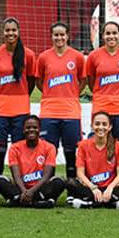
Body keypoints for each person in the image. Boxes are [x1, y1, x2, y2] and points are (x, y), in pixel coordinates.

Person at [83, 21, 119, 173]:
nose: (111, 36)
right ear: (102, 36)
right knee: (99, 144)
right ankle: (100, 178)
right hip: (101, 107)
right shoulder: (94, 56)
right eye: (108, 33)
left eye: (114, 33)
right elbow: (91, 80)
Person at [0, 17, 36, 175]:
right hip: (0, 108)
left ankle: (21, 184)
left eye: (13, 30)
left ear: (19, 32)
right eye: (7, 30)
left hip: (20, 108)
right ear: (3, 33)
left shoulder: (28, 55)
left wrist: (19, 95)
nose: (10, 33)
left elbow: (31, 81)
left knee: (20, 148)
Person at [36, 22, 86, 179]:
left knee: (71, 151)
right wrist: (50, 93)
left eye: (62, 35)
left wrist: (72, 93)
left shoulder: (77, 57)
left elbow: (83, 80)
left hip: (71, 112)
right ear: (51, 36)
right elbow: (39, 81)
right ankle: (48, 186)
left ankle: (72, 188)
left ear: (67, 36)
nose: (59, 38)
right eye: (56, 35)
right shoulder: (43, 57)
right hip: (49, 111)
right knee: (50, 151)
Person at [66, 111, 119, 209]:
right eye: (97, 124)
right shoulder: (83, 145)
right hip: (91, 188)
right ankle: (111, 203)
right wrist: (93, 188)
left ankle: (90, 203)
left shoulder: (118, 145)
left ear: (110, 127)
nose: (101, 127)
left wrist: (110, 188)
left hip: (110, 189)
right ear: (92, 126)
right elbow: (80, 173)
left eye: (104, 124)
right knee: (70, 182)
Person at [0, 115, 64, 208]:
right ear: (23, 130)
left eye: (35, 127)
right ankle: (39, 202)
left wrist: (31, 192)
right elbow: (16, 176)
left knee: (59, 182)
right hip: (21, 188)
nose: (31, 130)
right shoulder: (15, 148)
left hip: (39, 188)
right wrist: (25, 191)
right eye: (28, 128)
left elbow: (47, 176)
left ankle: (17, 200)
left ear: (39, 130)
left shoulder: (49, 147)